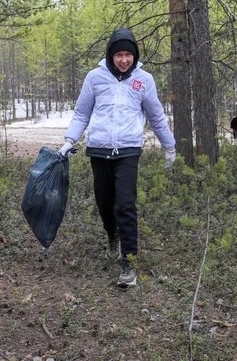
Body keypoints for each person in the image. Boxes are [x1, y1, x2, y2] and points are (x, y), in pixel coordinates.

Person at [59, 28, 177, 287]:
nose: (124, 60)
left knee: (125, 204)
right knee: (105, 202)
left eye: (128, 55)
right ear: (111, 55)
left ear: (135, 56)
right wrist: (69, 141)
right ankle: (112, 235)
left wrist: (170, 146)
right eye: (119, 54)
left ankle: (129, 262)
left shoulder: (144, 80)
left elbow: (156, 116)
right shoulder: (95, 78)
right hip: (99, 150)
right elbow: (81, 113)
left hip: (128, 150)